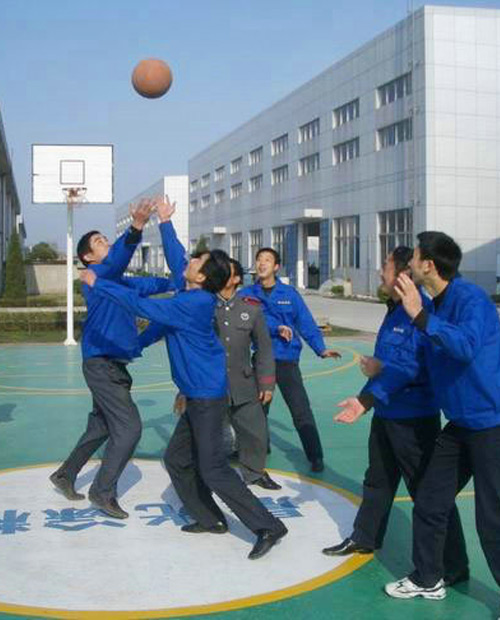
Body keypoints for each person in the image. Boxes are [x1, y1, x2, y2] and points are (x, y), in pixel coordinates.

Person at [80, 218, 287, 560]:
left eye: (196, 262)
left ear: (202, 277)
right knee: (176, 460)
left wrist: (98, 284)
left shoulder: (193, 304)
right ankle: (210, 519)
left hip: (207, 398)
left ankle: (268, 526)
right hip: (197, 396)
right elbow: (173, 273)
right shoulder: (189, 295)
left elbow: (142, 306)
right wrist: (164, 222)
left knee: (214, 468)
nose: (188, 261)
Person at [323, 247, 469, 587]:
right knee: (378, 479)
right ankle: (365, 537)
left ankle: (453, 565)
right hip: (387, 412)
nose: (380, 273)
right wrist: (372, 386)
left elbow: (409, 367)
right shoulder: (393, 312)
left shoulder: (420, 313)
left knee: (429, 495)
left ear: (403, 275)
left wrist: (367, 397)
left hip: (414, 419)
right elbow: (390, 364)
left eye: (385, 267)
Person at [379, 231, 500, 602]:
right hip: (459, 425)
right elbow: (422, 362)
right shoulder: (435, 304)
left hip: (491, 425)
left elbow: (465, 346)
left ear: (428, 265)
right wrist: (376, 385)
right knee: (430, 501)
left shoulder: (470, 299)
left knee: (492, 519)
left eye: (414, 257)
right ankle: (429, 576)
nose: (410, 263)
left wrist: (419, 315)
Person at [50, 199, 176, 519]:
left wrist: (183, 280)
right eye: (99, 241)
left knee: (101, 426)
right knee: (130, 428)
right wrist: (135, 227)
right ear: (87, 257)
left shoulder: (120, 281)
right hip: (101, 364)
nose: (105, 241)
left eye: (106, 237)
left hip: (111, 365)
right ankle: (102, 492)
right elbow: (118, 259)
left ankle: (65, 474)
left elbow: (152, 284)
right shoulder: (95, 276)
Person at [240, 248, 341, 472]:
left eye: (267, 260)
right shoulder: (247, 294)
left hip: (286, 360)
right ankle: (261, 449)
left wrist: (321, 349)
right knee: (258, 410)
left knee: (300, 409)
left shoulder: (289, 294)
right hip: (262, 360)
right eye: (259, 260)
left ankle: (315, 456)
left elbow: (306, 323)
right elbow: (247, 319)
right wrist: (276, 327)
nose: (262, 263)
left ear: (276, 267)